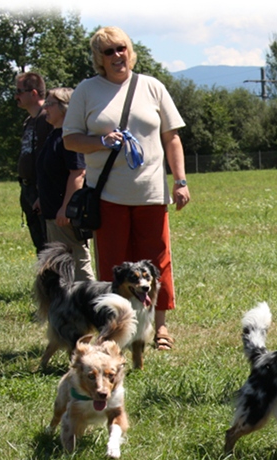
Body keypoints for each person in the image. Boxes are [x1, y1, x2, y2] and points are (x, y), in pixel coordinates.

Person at [63, 26, 190, 352]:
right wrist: (100, 141)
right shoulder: (87, 91)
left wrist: (180, 180)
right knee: (113, 267)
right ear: (99, 59)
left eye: (121, 48)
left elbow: (171, 137)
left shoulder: (152, 86)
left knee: (158, 264)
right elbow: (70, 138)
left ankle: (160, 329)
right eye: (109, 52)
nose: (117, 56)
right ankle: (115, 330)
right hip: (108, 196)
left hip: (150, 193)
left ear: (130, 51)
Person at [33, 87, 94, 282]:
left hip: (65, 215)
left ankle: (92, 305)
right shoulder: (55, 135)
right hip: (52, 212)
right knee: (61, 265)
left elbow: (78, 172)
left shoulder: (71, 138)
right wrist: (41, 199)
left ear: (65, 108)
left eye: (50, 104)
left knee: (77, 262)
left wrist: (66, 208)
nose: (46, 109)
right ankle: (71, 308)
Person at [15, 72, 52, 253]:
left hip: (42, 189)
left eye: (19, 91)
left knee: (50, 244)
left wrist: (43, 192)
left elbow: (52, 160)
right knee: (39, 244)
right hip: (28, 189)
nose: (16, 96)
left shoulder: (48, 118)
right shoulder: (29, 120)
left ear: (34, 93)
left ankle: (57, 281)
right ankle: (45, 281)